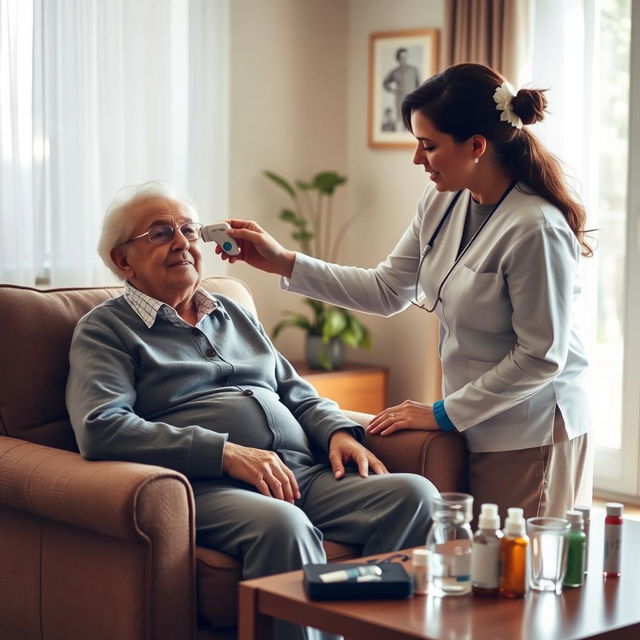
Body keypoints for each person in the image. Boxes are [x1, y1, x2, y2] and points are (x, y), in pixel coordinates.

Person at [219, 63, 593, 521]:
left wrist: (442, 413)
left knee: (515, 577)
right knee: (475, 566)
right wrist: (282, 261)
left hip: (529, 429)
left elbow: (542, 355)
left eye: (429, 145)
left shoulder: (535, 228)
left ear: (476, 146)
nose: (418, 159)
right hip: (475, 421)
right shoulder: (443, 199)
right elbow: (387, 289)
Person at [66, 181, 438, 640]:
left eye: (188, 229)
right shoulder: (106, 329)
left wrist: (338, 433)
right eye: (160, 234)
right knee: (283, 526)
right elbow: (101, 427)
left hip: (300, 472)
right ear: (124, 260)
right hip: (207, 484)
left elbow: (294, 389)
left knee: (416, 497)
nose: (183, 242)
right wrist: (226, 454)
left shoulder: (231, 312)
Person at [382, 47, 420, 129]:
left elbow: (420, 85)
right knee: (401, 121)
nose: (404, 59)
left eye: (406, 57)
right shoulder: (395, 72)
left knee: (412, 122)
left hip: (412, 100)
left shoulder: (413, 70)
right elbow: (385, 83)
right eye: (402, 57)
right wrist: (392, 90)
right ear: (398, 59)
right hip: (400, 100)